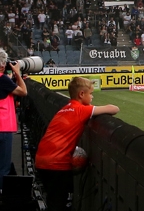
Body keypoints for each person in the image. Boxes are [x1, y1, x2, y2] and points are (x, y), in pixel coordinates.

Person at [35, 77, 120, 211]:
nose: (92, 97)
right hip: (57, 164)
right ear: (81, 94)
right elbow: (114, 109)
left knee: (54, 200)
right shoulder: (80, 110)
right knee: (58, 204)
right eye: (90, 94)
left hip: (42, 159)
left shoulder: (65, 108)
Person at [0, 49, 27, 193]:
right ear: (3, 65)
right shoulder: (3, 79)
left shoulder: (5, 81)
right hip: (3, 128)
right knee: (3, 167)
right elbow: (23, 92)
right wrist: (17, 73)